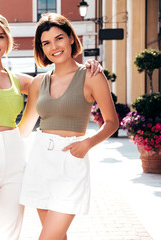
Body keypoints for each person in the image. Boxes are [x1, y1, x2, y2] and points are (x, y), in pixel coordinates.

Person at [0, 13, 101, 240]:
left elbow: (57, 80)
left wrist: (90, 65)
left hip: (16, 161)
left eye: (0, 37)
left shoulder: (20, 81)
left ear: (8, 40)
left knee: (10, 232)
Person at [18, 13, 119, 240]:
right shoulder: (39, 82)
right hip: (40, 159)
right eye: (46, 43)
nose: (54, 46)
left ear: (71, 38)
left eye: (59, 38)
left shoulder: (91, 76)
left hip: (70, 160)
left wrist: (88, 144)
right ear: (41, 48)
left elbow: (112, 121)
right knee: (57, 237)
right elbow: (25, 128)